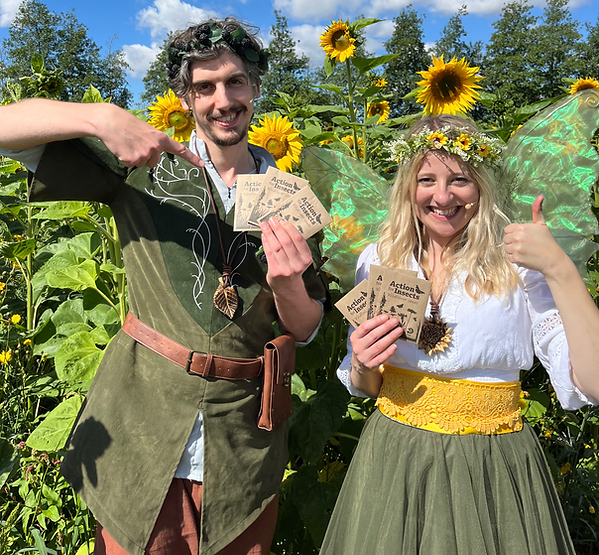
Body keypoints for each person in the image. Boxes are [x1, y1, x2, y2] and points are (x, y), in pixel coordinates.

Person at [0, 17, 327, 555]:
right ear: (185, 98)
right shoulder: (143, 166)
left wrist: (289, 286)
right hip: (145, 430)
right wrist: (100, 116)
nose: (223, 100)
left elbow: (308, 326)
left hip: (243, 442)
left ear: (255, 88)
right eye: (205, 86)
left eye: (236, 82)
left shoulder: (290, 196)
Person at [320, 114, 599, 555]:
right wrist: (361, 362)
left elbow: (593, 383)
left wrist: (558, 267)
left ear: (481, 186)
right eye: (426, 179)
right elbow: (368, 384)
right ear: (407, 186)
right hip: (394, 460)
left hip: (490, 468)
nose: (442, 196)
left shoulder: (519, 263)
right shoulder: (381, 258)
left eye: (460, 180)